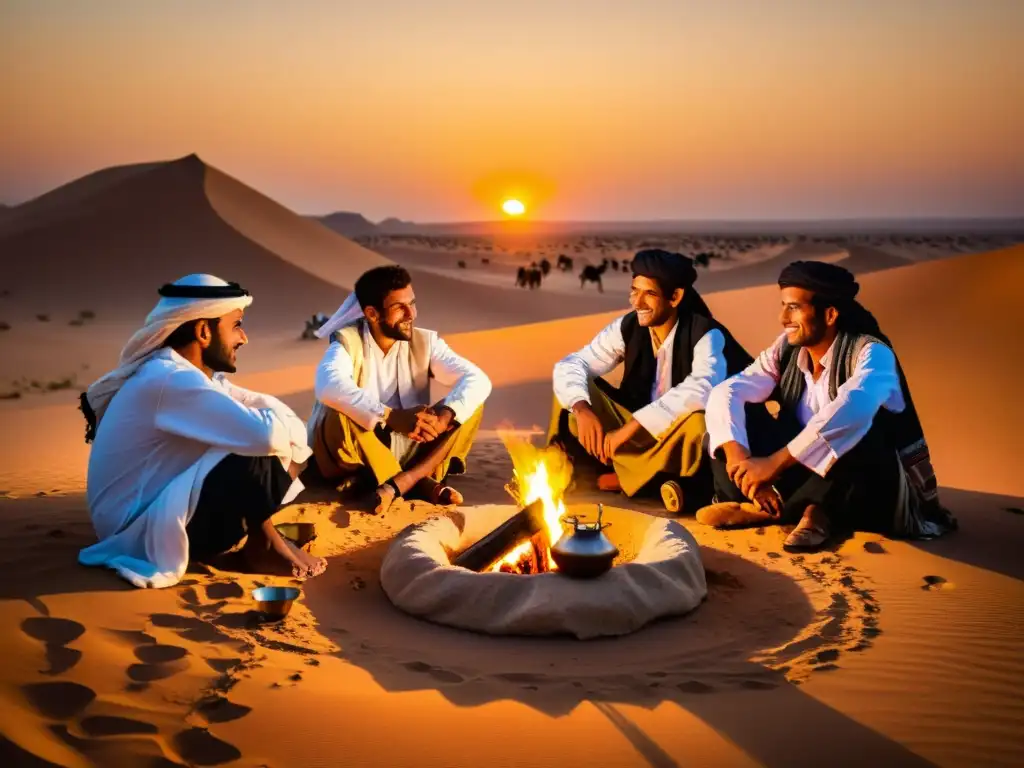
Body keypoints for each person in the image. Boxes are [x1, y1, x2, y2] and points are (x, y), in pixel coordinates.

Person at [79, 274, 325, 588]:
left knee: (254, 440)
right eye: (236, 324)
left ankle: (264, 536)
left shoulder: (188, 376)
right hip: (136, 530)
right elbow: (266, 435)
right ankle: (262, 546)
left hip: (142, 515)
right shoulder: (169, 379)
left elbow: (274, 418)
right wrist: (274, 427)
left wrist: (275, 425)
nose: (244, 338)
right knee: (251, 451)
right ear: (204, 331)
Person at [702, 260, 956, 548]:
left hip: (869, 480)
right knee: (723, 430)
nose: (782, 318)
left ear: (830, 314)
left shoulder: (872, 354)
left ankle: (813, 513)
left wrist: (773, 463)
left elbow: (851, 409)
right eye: (783, 305)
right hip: (799, 472)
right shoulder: (785, 348)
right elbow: (729, 391)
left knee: (857, 430)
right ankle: (769, 500)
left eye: (794, 307)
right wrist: (740, 458)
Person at [548, 249, 753, 512]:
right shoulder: (628, 327)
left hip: (672, 441)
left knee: (699, 421)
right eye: (635, 291)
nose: (637, 302)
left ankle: (630, 478)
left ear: (675, 297)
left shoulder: (705, 333)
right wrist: (582, 408)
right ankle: (602, 475)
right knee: (572, 391)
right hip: (631, 440)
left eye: (650, 294)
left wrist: (632, 427)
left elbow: (702, 387)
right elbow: (575, 363)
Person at [307, 265, 491, 514]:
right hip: (360, 449)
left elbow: (478, 379)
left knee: (468, 404)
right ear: (372, 314)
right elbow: (328, 386)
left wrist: (446, 415)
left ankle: (403, 481)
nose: (411, 314)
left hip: (411, 445)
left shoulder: (425, 342)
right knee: (338, 411)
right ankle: (420, 483)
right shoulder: (347, 344)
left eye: (412, 303)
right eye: (399, 307)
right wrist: (392, 417)